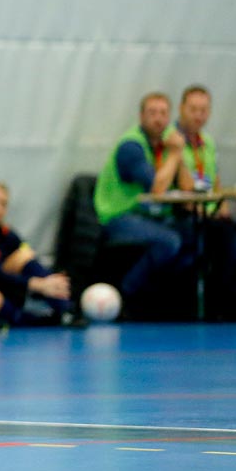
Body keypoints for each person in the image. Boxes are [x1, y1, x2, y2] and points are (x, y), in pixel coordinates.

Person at [92, 92, 193, 314]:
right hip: (119, 216)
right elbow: (157, 189)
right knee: (169, 242)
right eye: (152, 113)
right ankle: (127, 293)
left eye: (163, 113)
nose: (158, 119)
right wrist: (175, 155)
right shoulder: (132, 146)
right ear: (141, 116)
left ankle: (165, 300)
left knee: (196, 238)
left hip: (151, 215)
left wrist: (179, 155)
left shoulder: (164, 145)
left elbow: (187, 189)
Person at [173, 85, 236, 318]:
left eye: (204, 110)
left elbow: (213, 179)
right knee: (224, 241)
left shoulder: (207, 141)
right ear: (182, 109)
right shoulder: (171, 141)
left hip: (209, 212)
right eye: (193, 109)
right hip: (180, 213)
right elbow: (182, 188)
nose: (198, 115)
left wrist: (222, 207)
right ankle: (215, 305)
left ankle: (234, 301)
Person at [0, 182, 73, 325]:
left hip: (3, 284)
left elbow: (28, 257)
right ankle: (31, 321)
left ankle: (65, 308)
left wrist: (49, 281)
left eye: (3, 204)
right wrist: (37, 284)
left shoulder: (5, 233)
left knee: (23, 255)